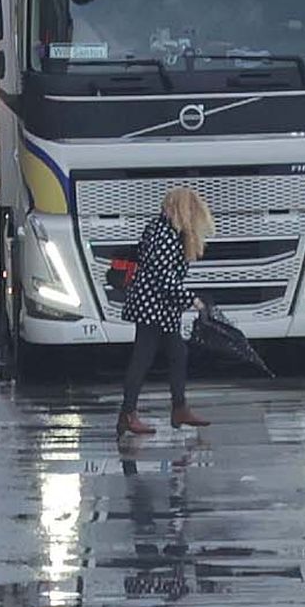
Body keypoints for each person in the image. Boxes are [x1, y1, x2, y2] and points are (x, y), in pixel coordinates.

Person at [117, 186, 215, 437]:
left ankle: (178, 408)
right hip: (153, 306)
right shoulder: (165, 234)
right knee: (143, 357)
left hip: (159, 306)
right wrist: (192, 299)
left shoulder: (161, 229)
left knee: (177, 353)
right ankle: (129, 414)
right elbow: (163, 277)